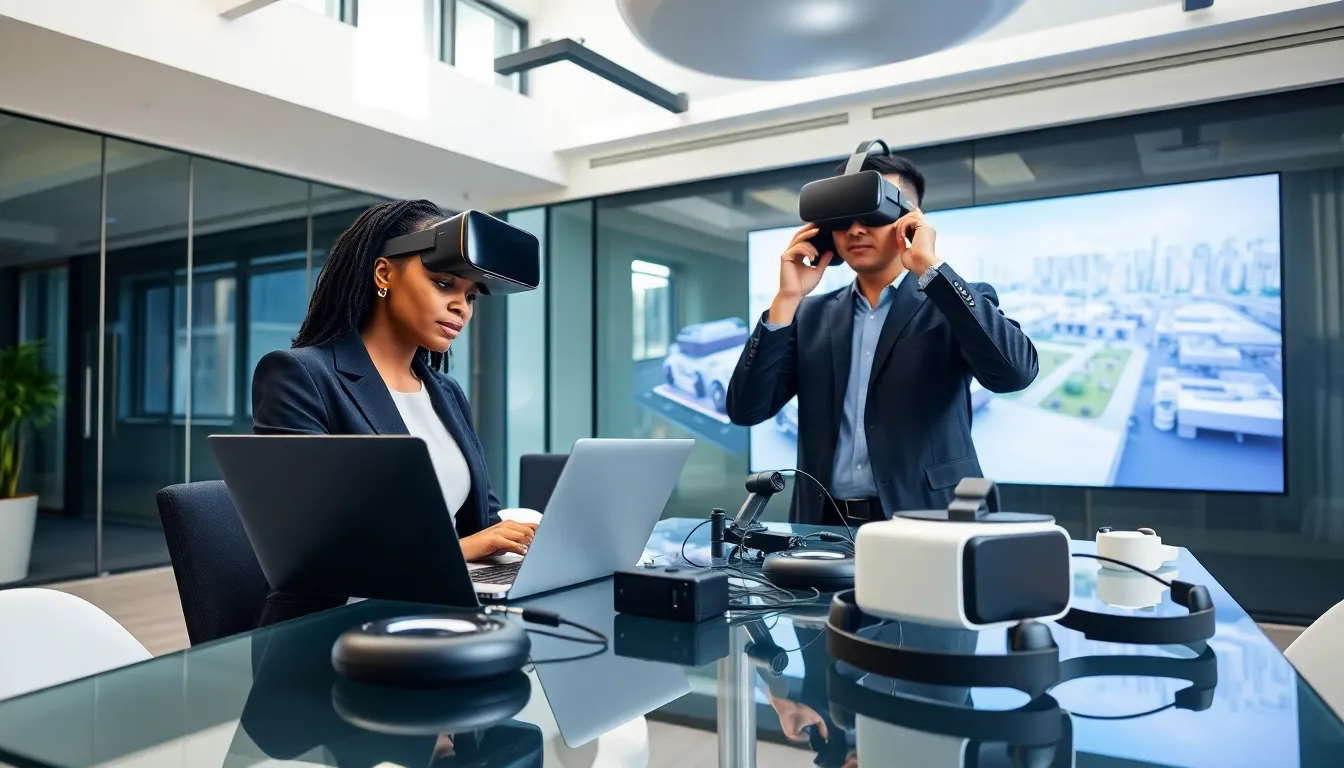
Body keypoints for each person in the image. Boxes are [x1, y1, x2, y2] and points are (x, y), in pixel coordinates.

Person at [250, 199, 536, 626]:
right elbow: (310, 555)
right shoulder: (299, 375)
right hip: (332, 630)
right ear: (384, 273)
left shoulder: (447, 393)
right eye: (443, 284)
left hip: (438, 611)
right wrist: (463, 549)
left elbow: (483, 521)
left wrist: (518, 541)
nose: (462, 307)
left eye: (470, 296)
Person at [725, 154, 1038, 526]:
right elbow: (746, 409)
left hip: (930, 519)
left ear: (911, 219)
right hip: (825, 526)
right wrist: (786, 300)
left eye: (871, 213)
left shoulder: (950, 301)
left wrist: (930, 269)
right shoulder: (809, 315)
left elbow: (1015, 374)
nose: (855, 229)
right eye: (841, 217)